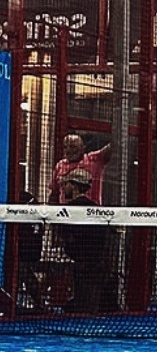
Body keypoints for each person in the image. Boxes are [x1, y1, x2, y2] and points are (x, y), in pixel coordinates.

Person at [56, 169, 108, 313]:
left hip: (81, 266)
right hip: (96, 265)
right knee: (89, 307)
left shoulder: (66, 210)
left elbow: (64, 236)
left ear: (74, 186)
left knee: (82, 310)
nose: (63, 187)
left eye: (66, 184)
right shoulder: (97, 210)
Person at [48, 133, 112, 206]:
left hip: (90, 209)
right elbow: (54, 193)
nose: (68, 150)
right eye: (65, 147)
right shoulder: (60, 165)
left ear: (82, 148)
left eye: (72, 147)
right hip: (66, 210)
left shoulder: (94, 160)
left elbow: (112, 147)